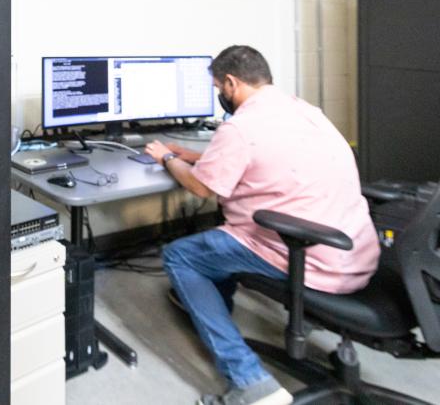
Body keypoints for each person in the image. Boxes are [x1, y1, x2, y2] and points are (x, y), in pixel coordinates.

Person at [144, 45, 380, 405]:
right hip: (357, 250)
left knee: (182, 255)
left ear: (230, 83)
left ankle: (252, 385)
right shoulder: (305, 111)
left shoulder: (240, 127)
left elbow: (201, 186)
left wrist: (169, 157)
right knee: (216, 245)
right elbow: (271, 154)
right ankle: (212, 307)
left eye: (217, 89)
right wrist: (199, 154)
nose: (219, 95)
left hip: (311, 258)